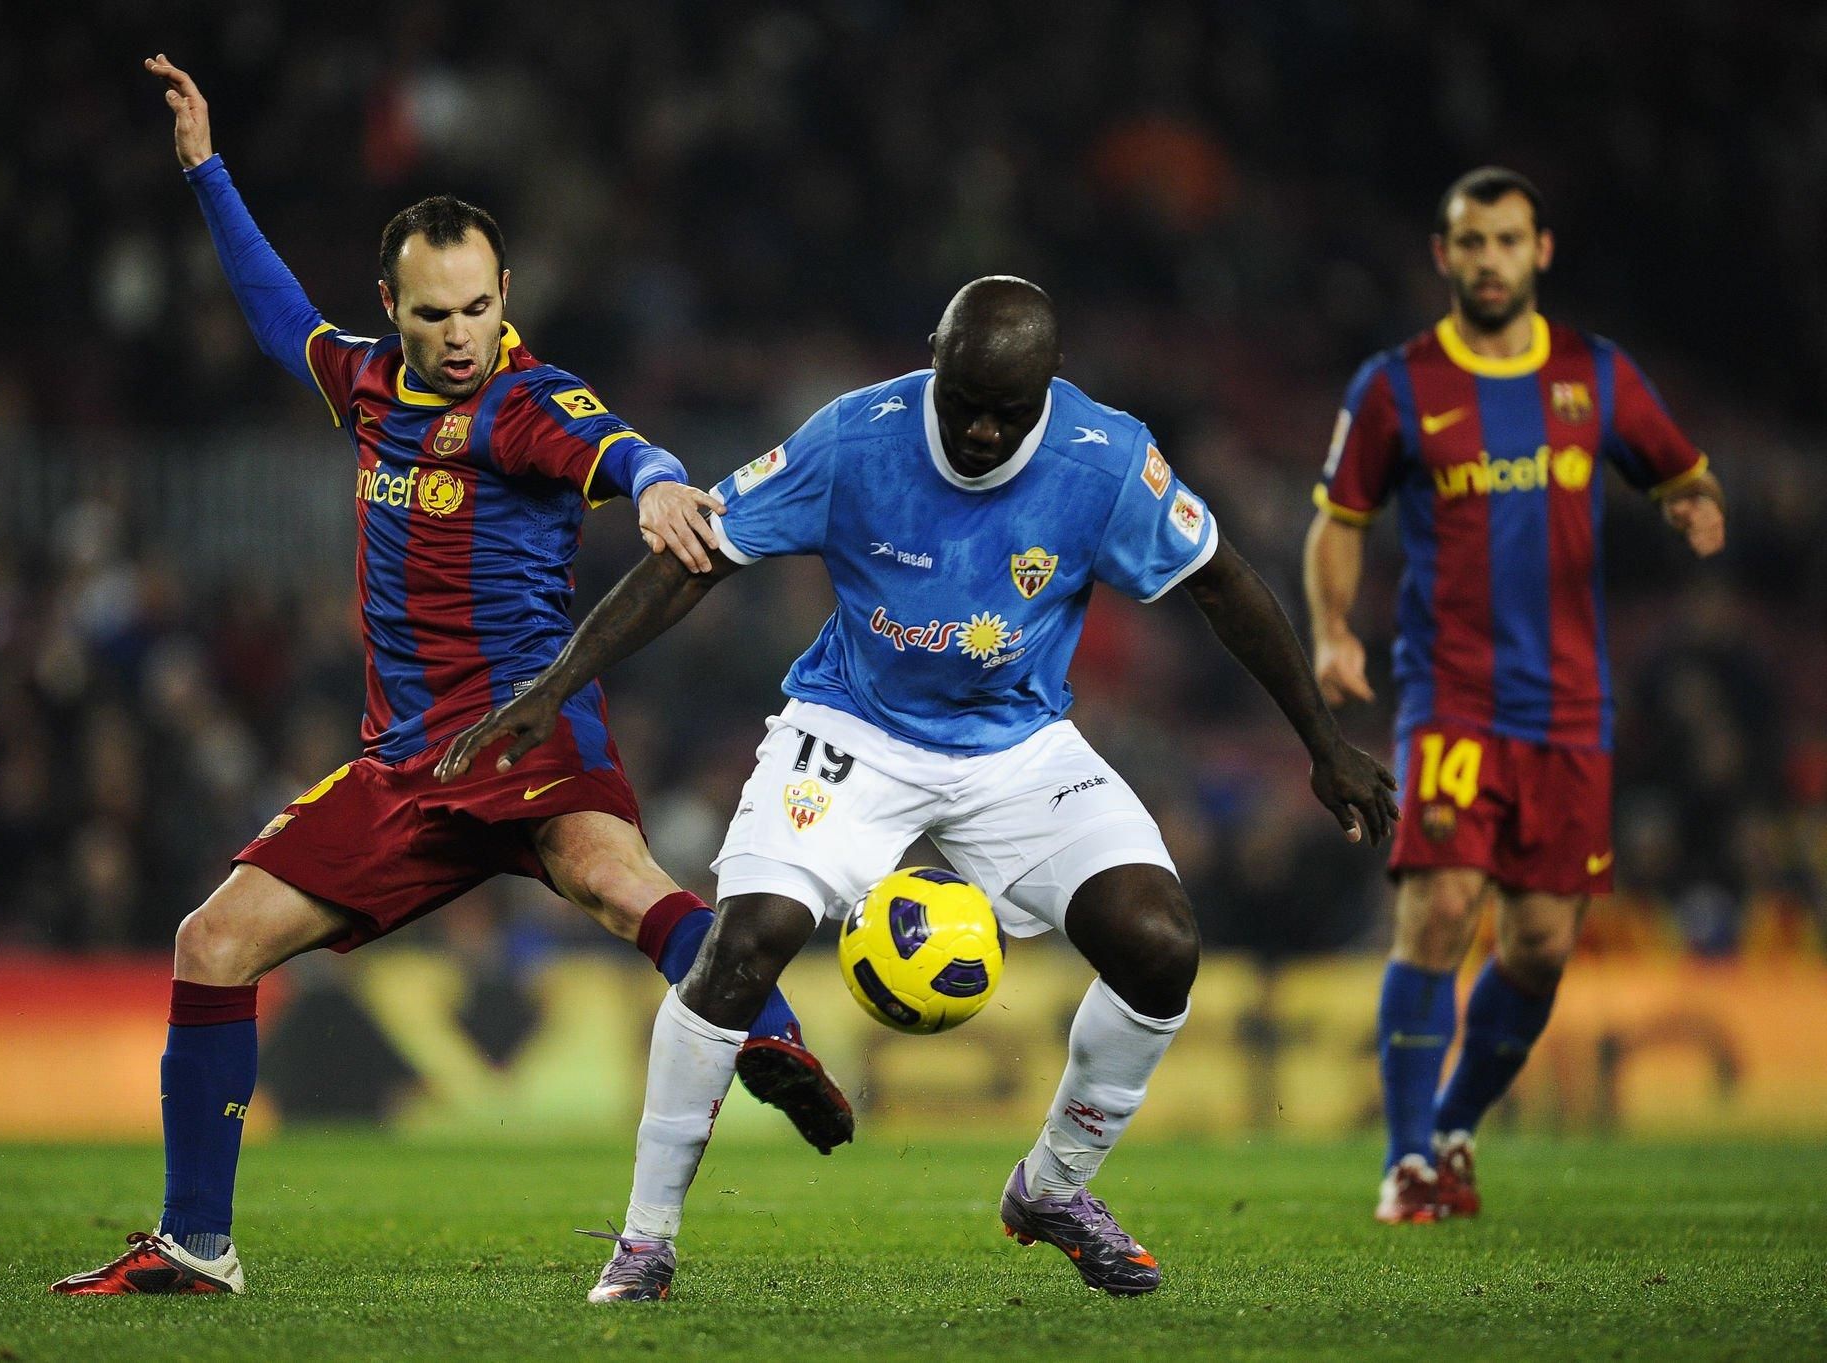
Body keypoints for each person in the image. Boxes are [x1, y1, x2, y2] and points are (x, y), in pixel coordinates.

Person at [50, 56, 848, 1297]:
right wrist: (205, 170)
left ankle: (776, 1041)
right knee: (212, 942)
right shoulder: (366, 381)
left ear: (504, 294)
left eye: (478, 306)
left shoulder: (526, 401)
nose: (461, 333)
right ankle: (195, 1244)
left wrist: (657, 487)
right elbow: (275, 310)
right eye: (434, 315)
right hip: (403, 767)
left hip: (523, 727)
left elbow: (616, 444)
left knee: (610, 878)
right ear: (393, 308)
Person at [444, 276, 1398, 1302]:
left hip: (1018, 747)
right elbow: (694, 558)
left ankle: (1053, 1188)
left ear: (1050, 386)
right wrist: (555, 687)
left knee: (1160, 944)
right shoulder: (857, 436)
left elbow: (1222, 581)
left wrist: (1322, 743)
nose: (983, 432)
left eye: (1009, 411)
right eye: (965, 404)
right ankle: (644, 1241)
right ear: (933, 360)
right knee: (743, 942)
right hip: (852, 729)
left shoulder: (1107, 459)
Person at [1302, 167, 1727, 1225]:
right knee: (1441, 906)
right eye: (1469, 241)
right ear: (1441, 255)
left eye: (1505, 240)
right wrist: (1332, 630)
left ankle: (1452, 1127)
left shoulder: (1595, 375)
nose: (1487, 259)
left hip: (1570, 710)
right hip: (1450, 696)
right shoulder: (1396, 385)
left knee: (1539, 944)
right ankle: (1406, 1161)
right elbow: (1339, 519)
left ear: (1539, 251)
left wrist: (1694, 506)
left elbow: (1681, 470)